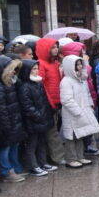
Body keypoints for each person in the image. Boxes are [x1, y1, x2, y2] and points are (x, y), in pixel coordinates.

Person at [59, 54, 99, 168]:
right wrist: (78, 111)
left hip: (83, 111)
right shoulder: (66, 81)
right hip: (72, 114)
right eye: (76, 64)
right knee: (71, 137)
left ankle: (80, 156)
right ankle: (71, 159)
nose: (79, 66)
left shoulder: (81, 80)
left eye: (80, 64)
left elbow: (87, 94)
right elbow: (66, 100)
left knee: (81, 135)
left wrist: (90, 105)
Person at [18, 59, 58, 176]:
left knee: (42, 142)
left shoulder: (38, 83)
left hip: (42, 118)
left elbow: (44, 100)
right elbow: (27, 106)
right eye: (33, 69)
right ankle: (33, 166)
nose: (36, 71)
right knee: (32, 144)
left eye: (37, 69)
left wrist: (45, 114)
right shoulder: (25, 86)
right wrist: (38, 115)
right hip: (33, 121)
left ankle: (42, 162)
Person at [35, 37, 65, 165]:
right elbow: (40, 85)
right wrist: (50, 103)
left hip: (56, 102)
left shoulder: (55, 63)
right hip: (49, 103)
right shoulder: (41, 64)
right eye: (52, 47)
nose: (55, 49)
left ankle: (52, 155)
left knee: (54, 130)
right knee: (52, 131)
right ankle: (58, 157)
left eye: (56, 47)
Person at [0, 56, 27, 182]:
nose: (14, 72)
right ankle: (6, 171)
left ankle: (15, 168)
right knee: (5, 148)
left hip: (14, 121)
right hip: (6, 123)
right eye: (12, 70)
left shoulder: (10, 83)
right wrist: (6, 126)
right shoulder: (1, 87)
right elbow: (2, 109)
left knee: (14, 145)